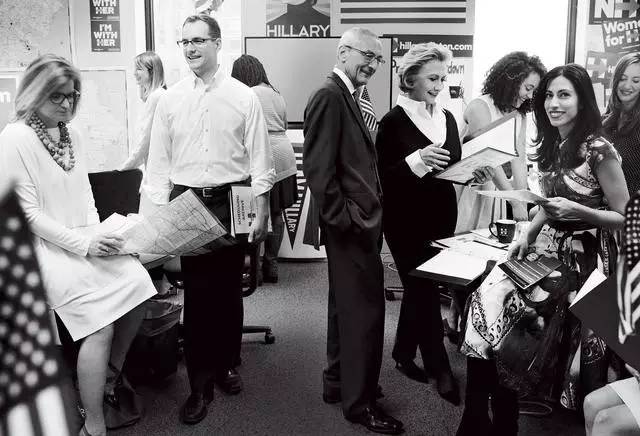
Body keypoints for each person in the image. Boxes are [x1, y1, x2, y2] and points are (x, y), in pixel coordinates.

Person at [457, 64, 629, 436]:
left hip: (583, 258)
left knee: (511, 317)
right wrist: (528, 232)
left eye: (564, 94)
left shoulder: (599, 150)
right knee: (483, 300)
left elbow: (623, 215)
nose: (553, 103)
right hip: (547, 247)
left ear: (583, 100)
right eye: (548, 95)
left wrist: (580, 211)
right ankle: (480, 413)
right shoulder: (554, 143)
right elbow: (549, 202)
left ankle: (496, 417)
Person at [0, 54, 156, 436]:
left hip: (83, 239)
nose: (67, 104)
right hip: (42, 250)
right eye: (57, 96)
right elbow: (29, 215)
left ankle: (108, 376)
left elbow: (86, 196)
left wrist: (104, 235)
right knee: (100, 327)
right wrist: (85, 246)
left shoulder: (73, 135)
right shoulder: (15, 137)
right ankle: (94, 425)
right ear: (34, 93)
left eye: (72, 95)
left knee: (140, 283)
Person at [145, 14, 274, 425]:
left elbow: (260, 158)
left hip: (234, 199)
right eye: (184, 42)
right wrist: (158, 215)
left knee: (229, 291)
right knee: (200, 295)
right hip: (189, 202)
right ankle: (199, 385)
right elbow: (158, 161)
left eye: (199, 40)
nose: (190, 48)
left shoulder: (243, 96)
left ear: (217, 43)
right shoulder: (170, 99)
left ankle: (226, 364)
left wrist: (263, 208)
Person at [375, 42, 493, 405]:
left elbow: (450, 168)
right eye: (432, 78)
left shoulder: (447, 118)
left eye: (443, 78)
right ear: (410, 78)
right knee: (423, 291)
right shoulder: (392, 122)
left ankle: (402, 352)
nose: (439, 86)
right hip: (404, 219)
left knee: (420, 287)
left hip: (442, 215)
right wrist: (417, 160)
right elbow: (382, 179)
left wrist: (469, 175)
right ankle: (440, 368)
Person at [303, 27, 403, 434]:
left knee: (344, 308)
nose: (374, 64)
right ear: (343, 52)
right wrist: (345, 221)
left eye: (379, 59)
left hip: (359, 223)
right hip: (351, 227)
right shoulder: (330, 95)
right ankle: (360, 404)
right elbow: (318, 170)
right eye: (368, 55)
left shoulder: (349, 94)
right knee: (365, 314)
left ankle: (337, 383)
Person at [456, 51, 547, 233]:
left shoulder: (519, 115)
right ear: (510, 81)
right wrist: (514, 202)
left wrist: (521, 200)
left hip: (496, 189)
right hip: (469, 187)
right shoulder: (480, 107)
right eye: (528, 88)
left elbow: (519, 160)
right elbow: (487, 158)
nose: (530, 96)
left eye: (534, 91)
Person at [231, 54, 298, 283]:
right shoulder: (276, 93)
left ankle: (255, 269)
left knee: (258, 214)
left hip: (264, 154)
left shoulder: (248, 94)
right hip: (285, 156)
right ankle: (272, 264)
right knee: (277, 213)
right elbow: (285, 124)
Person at [118, 51, 166, 217]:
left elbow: (145, 142)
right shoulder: (155, 96)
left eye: (139, 69)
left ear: (152, 72)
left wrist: (122, 169)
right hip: (154, 178)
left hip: (157, 182)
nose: (134, 73)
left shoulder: (156, 97)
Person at [602, 52, 640, 196]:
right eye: (622, 79)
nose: (627, 85)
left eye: (636, 81)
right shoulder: (603, 122)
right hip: (598, 205)